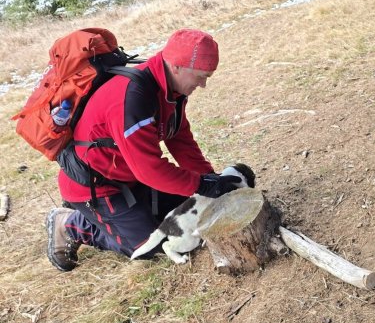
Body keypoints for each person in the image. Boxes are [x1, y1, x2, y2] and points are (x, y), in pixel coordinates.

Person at [46, 29, 243, 271]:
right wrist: (201, 184)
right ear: (177, 66)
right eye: (201, 76)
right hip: (97, 186)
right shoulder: (133, 97)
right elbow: (149, 170)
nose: (202, 85)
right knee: (147, 247)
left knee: (190, 206)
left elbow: (179, 138)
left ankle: (135, 212)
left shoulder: (172, 89)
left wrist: (209, 179)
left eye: (208, 77)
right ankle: (70, 223)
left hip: (127, 174)